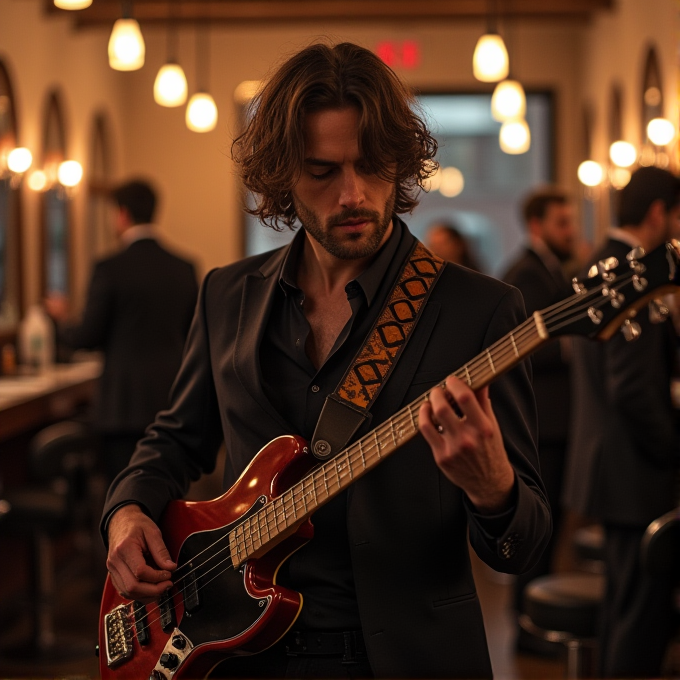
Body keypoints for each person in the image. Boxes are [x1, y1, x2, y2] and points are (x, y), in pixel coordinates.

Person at [102, 43, 551, 679]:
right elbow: (174, 440)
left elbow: (525, 544)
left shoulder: (479, 312)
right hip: (231, 657)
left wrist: (493, 488)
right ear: (282, 174)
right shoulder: (226, 294)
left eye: (372, 167)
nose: (354, 194)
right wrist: (126, 511)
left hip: (398, 661)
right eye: (322, 171)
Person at [564, 166, 680, 678]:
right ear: (659, 213)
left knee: (624, 607)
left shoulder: (600, 262)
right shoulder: (633, 272)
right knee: (641, 616)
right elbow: (631, 389)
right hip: (635, 467)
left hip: (610, 459)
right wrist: (674, 449)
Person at [45, 179, 199, 481]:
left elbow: (87, 336)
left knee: (125, 491)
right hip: (172, 397)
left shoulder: (110, 267)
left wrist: (61, 321)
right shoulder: (184, 267)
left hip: (122, 404)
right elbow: (193, 333)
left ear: (122, 214)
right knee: (170, 486)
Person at [501, 187, 577, 647]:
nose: (571, 232)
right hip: (542, 424)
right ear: (537, 226)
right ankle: (530, 628)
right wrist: (572, 346)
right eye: (562, 223)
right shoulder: (527, 274)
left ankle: (533, 623)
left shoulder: (547, 268)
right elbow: (521, 353)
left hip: (555, 421)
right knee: (537, 529)